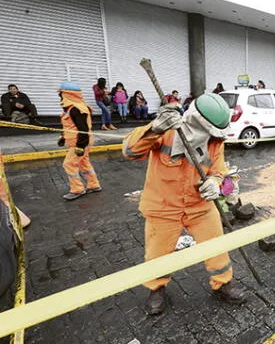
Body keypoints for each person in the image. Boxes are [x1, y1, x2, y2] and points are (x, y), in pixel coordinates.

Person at [122, 93, 246, 314]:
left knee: (217, 245)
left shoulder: (215, 142)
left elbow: (219, 172)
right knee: (157, 253)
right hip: (163, 206)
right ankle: (156, 288)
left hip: (199, 206)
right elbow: (130, 151)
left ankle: (223, 283)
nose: (210, 137)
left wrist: (215, 184)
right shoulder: (166, 130)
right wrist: (154, 129)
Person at [57, 81, 102, 201]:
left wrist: (80, 146)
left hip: (81, 142)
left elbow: (83, 129)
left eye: (61, 94)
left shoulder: (76, 109)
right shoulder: (71, 108)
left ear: (67, 94)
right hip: (79, 141)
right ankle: (94, 185)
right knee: (84, 163)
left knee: (69, 164)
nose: (60, 97)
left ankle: (77, 189)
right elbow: (71, 127)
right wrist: (63, 138)